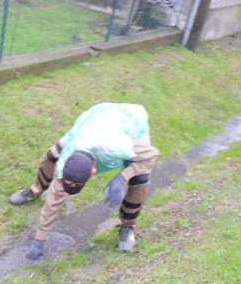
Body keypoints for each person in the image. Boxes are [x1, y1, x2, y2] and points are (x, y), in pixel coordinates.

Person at [10, 102, 159, 260]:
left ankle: (128, 227)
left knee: (140, 178)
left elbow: (151, 155)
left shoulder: (119, 146)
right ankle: (35, 190)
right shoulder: (65, 161)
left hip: (129, 123)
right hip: (95, 121)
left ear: (94, 171)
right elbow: (54, 201)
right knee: (52, 155)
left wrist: (122, 176)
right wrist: (39, 238)